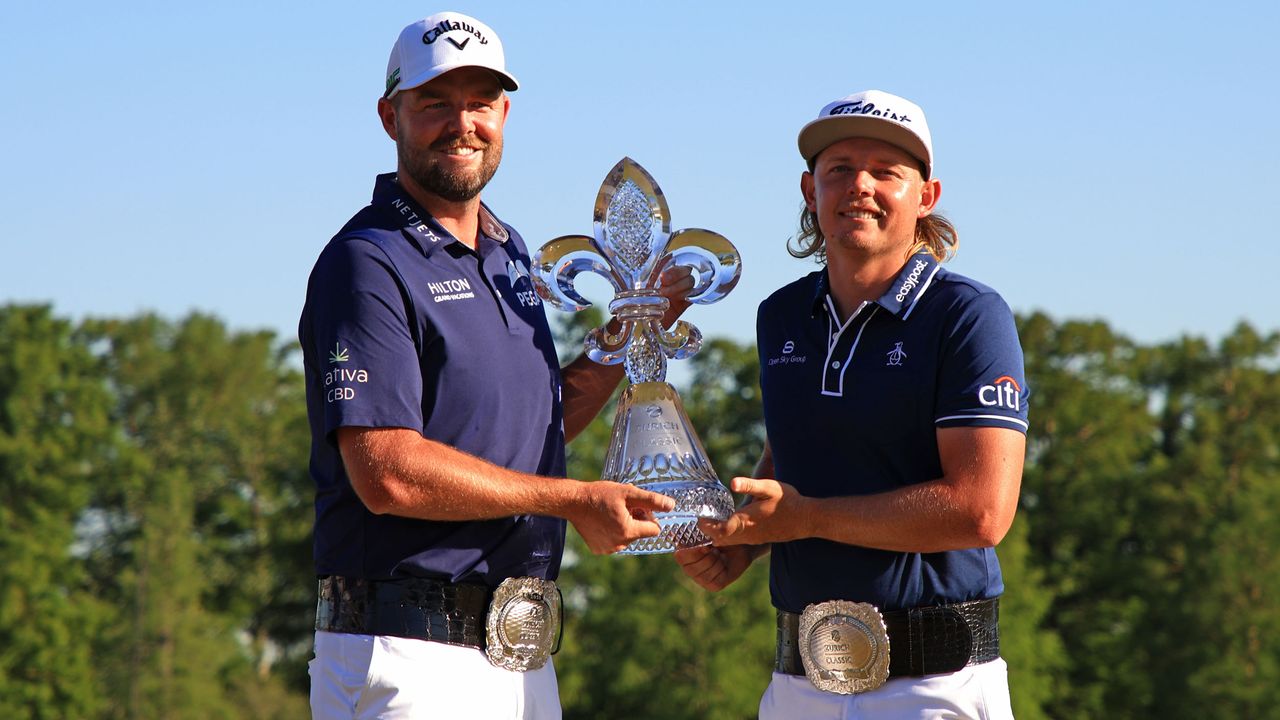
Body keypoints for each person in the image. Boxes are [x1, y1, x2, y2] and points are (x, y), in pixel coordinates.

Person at [299, 12, 690, 719]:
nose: (462, 123)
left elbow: (534, 427)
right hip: (410, 653)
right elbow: (386, 471)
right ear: (391, 116)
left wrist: (627, 332)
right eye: (435, 104)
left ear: (504, 112)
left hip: (519, 655)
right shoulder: (367, 261)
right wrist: (572, 500)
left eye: (480, 102)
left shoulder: (509, 254)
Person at [676, 90, 1028, 719]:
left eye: (886, 172)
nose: (859, 185)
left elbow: (981, 512)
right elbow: (793, 454)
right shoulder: (780, 315)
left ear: (926, 196)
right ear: (811, 190)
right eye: (839, 169)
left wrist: (805, 519)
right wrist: (747, 538)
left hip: (933, 683)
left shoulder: (968, 315)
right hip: (796, 682)